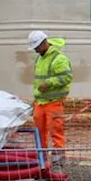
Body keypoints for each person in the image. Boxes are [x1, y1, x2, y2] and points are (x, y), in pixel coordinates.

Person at [28, 30, 73, 159]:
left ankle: (58, 156)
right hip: (40, 102)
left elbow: (66, 77)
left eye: (36, 47)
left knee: (55, 129)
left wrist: (48, 83)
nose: (35, 50)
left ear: (43, 43)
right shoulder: (40, 58)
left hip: (54, 101)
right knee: (39, 131)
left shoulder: (59, 59)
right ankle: (41, 156)